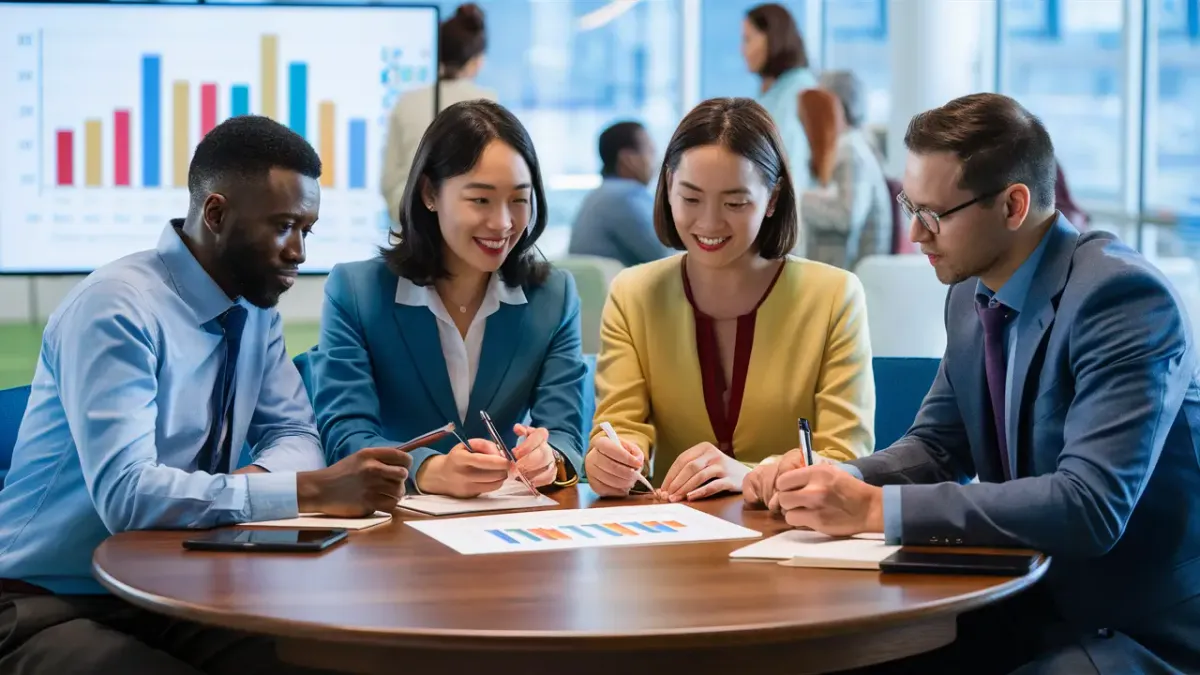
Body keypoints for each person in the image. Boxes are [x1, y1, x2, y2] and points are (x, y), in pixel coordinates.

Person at [752, 93, 1200, 674]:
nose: (914, 233)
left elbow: (1089, 506)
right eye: (909, 204)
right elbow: (938, 447)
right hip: (1022, 597)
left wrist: (874, 509)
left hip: (1135, 628)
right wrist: (842, 477)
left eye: (934, 214)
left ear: (1014, 205)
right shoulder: (969, 292)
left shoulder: (1122, 299)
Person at [0, 116, 408, 673]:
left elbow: (295, 433)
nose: (299, 252)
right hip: (46, 599)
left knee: (324, 659)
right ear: (216, 214)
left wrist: (251, 486)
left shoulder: (254, 310)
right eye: (284, 226)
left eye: (306, 230)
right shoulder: (116, 309)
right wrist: (310, 491)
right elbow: (128, 499)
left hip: (175, 589)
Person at [585, 97, 874, 504]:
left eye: (735, 202)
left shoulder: (833, 296)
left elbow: (847, 457)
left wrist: (754, 474)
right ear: (667, 187)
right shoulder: (633, 293)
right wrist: (612, 461)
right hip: (669, 540)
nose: (708, 222)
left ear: (773, 199)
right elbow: (621, 426)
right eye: (690, 198)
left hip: (790, 535)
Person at [311, 99, 586, 499]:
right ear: (429, 193)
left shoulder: (553, 296)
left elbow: (564, 432)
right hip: (392, 531)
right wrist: (429, 470)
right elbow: (345, 435)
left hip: (506, 527)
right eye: (480, 200)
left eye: (519, 199)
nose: (504, 223)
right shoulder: (356, 291)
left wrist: (550, 459)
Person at [380, 2, 496, 216]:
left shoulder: (407, 102)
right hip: (467, 229)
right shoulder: (488, 104)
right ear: (477, 61)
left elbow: (389, 181)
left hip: (410, 229)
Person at [800, 70, 892, 271]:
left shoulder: (850, 149)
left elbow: (846, 214)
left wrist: (799, 200)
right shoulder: (856, 144)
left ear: (836, 107)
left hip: (855, 274)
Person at [568, 120, 670, 267]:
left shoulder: (599, 196)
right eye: (650, 151)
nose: (656, 162)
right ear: (628, 159)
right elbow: (667, 256)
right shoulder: (625, 197)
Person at [742, 3, 816, 193]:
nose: (742, 50)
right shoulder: (770, 90)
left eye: (748, 40)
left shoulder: (799, 88)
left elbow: (789, 158)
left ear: (772, 39)